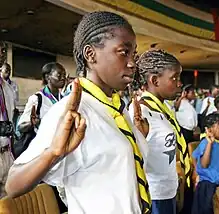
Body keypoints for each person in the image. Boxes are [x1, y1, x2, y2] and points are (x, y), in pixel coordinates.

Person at [6, 11, 152, 214]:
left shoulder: (116, 109)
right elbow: (13, 185)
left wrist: (137, 138)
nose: (132, 63)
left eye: (133, 54)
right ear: (90, 54)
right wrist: (53, 153)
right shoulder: (72, 112)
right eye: (123, 52)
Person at [129, 50, 191, 214]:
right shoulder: (140, 112)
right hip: (153, 194)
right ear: (155, 80)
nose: (179, 83)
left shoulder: (163, 108)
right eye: (174, 78)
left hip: (168, 189)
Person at [17, 62, 66, 134]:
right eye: (59, 75)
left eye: (64, 75)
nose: (63, 78)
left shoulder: (64, 98)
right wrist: (32, 123)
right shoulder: (37, 99)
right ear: (47, 77)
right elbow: (20, 127)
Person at [192, 113, 219, 214]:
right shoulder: (206, 143)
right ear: (209, 129)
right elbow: (203, 164)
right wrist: (210, 143)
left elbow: (194, 156)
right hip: (207, 185)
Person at [0, 41, 15, 198]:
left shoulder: (8, 87)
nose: (1, 54)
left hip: (6, 153)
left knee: (7, 203)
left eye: (3, 50)